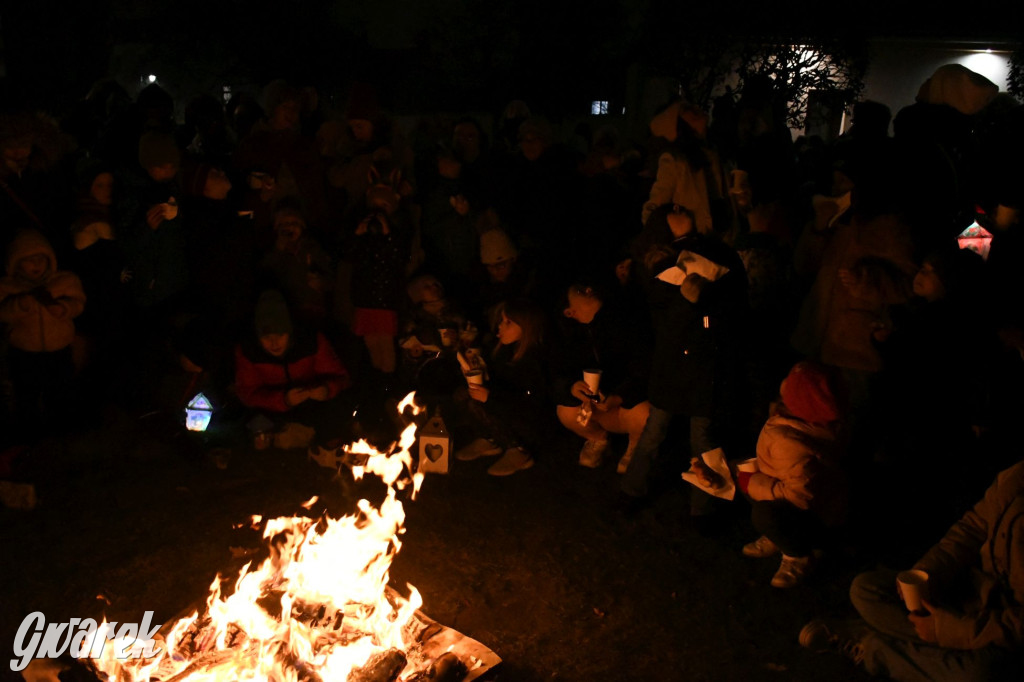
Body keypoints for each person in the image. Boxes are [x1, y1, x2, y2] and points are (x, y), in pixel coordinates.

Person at [800, 458, 1024, 681]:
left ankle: (873, 647)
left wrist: (956, 632)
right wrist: (929, 572)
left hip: (1008, 633)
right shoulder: (1016, 477)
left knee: (979, 675)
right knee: (866, 590)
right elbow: (972, 528)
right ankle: (941, 655)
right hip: (977, 592)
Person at [619, 203, 749, 519]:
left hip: (707, 366)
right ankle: (630, 491)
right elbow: (661, 319)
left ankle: (701, 508)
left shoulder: (715, 254)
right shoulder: (655, 266)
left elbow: (733, 299)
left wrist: (703, 294)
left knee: (702, 440)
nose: (680, 211)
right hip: (672, 366)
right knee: (654, 431)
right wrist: (686, 300)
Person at [737, 361, 847, 588]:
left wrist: (754, 483)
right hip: (806, 497)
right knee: (739, 474)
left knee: (763, 512)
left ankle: (798, 554)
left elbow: (799, 497)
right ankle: (778, 535)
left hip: (815, 515)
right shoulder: (799, 424)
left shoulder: (794, 442)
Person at [553, 281, 651, 472]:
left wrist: (619, 396)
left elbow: (644, 367)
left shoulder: (625, 319)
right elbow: (560, 372)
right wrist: (572, 387)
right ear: (569, 312)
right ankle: (597, 438)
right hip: (595, 406)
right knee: (565, 411)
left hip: (626, 404)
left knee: (645, 415)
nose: (587, 289)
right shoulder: (571, 334)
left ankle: (635, 447)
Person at [234, 290, 352, 448]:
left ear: (289, 332)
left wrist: (326, 389)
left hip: (311, 404)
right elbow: (248, 394)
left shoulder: (311, 342)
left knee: (337, 407)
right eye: (267, 337)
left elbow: (341, 377)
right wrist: (284, 399)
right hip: (272, 408)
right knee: (252, 421)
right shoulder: (249, 351)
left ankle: (328, 445)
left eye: (280, 335)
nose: (274, 343)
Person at [0, 229, 86, 437]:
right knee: (26, 394)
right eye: (29, 260)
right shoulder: (8, 288)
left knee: (61, 390)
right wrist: (18, 306)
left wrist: (64, 309)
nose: (36, 264)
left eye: (40, 258)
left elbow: (79, 303)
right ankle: (28, 434)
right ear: (16, 263)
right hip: (24, 353)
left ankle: (62, 429)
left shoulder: (64, 281)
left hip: (59, 350)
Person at [453, 298, 549, 476]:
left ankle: (518, 451)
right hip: (507, 404)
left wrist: (490, 396)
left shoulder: (533, 359)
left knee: (487, 402)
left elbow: (530, 404)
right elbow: (499, 382)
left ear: (526, 327)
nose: (501, 326)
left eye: (508, 323)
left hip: (529, 421)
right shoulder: (503, 350)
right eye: (502, 321)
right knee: (464, 395)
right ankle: (488, 439)